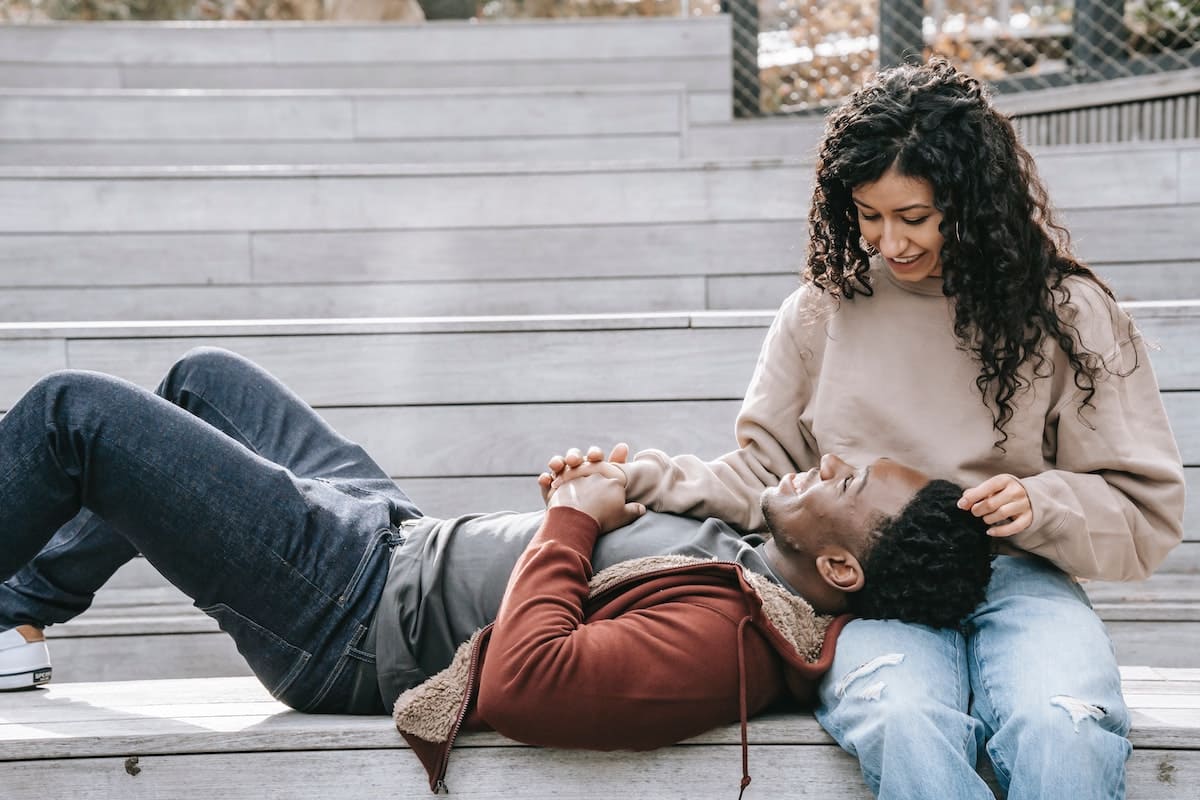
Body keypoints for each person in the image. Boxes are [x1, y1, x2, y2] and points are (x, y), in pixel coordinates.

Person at [546, 59, 1186, 799]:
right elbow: (765, 476)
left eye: (915, 217)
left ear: (973, 201)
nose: (890, 243)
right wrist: (633, 478)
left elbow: (1145, 509)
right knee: (903, 719)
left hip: (1018, 574)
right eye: (868, 215)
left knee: (1060, 724)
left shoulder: (1064, 313)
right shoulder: (822, 311)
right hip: (863, 593)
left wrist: (1040, 505)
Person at [0, 348, 992, 790]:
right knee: (204, 381)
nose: (830, 456)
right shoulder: (758, 555)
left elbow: (530, 677)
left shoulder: (727, 644)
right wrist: (606, 496)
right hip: (394, 532)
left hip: (343, 612)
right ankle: (21, 611)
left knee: (73, 413)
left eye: (850, 478)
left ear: (841, 568)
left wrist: (566, 523)